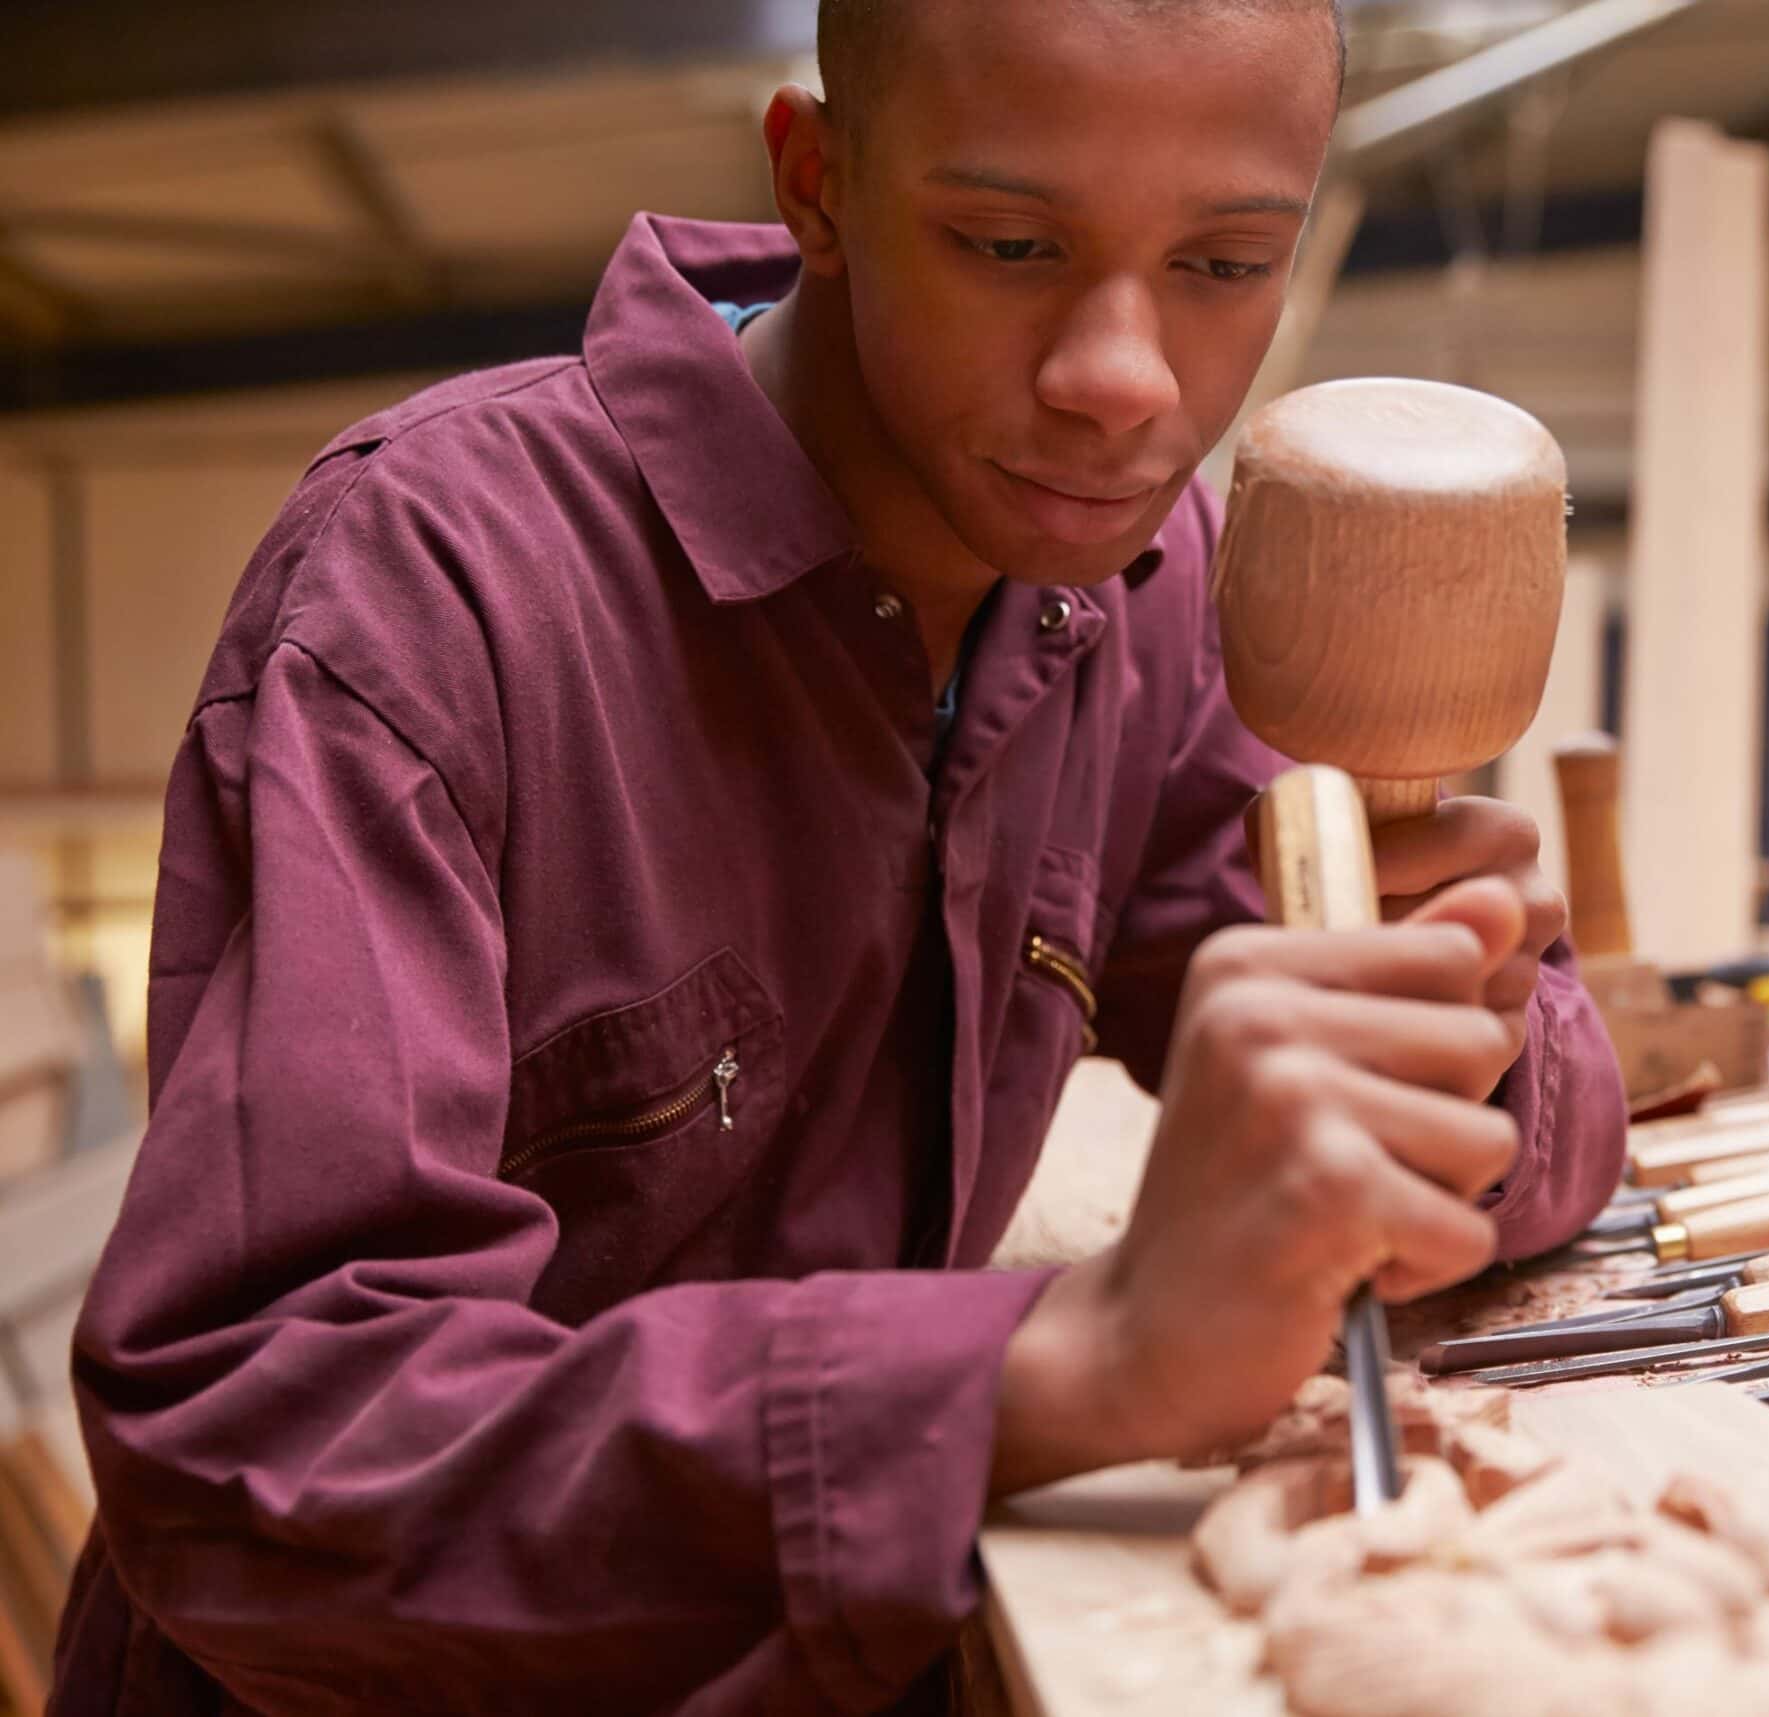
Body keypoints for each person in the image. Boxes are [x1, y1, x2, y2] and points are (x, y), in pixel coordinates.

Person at [51, 1, 1624, 1710]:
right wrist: (1065, 1365)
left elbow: (1538, 1135)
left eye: (1227, 263)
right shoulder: (436, 595)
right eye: (1010, 243)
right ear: (818, 182)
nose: (1126, 377)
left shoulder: (1153, 588)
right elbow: (260, 1444)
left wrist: (1452, 1018)